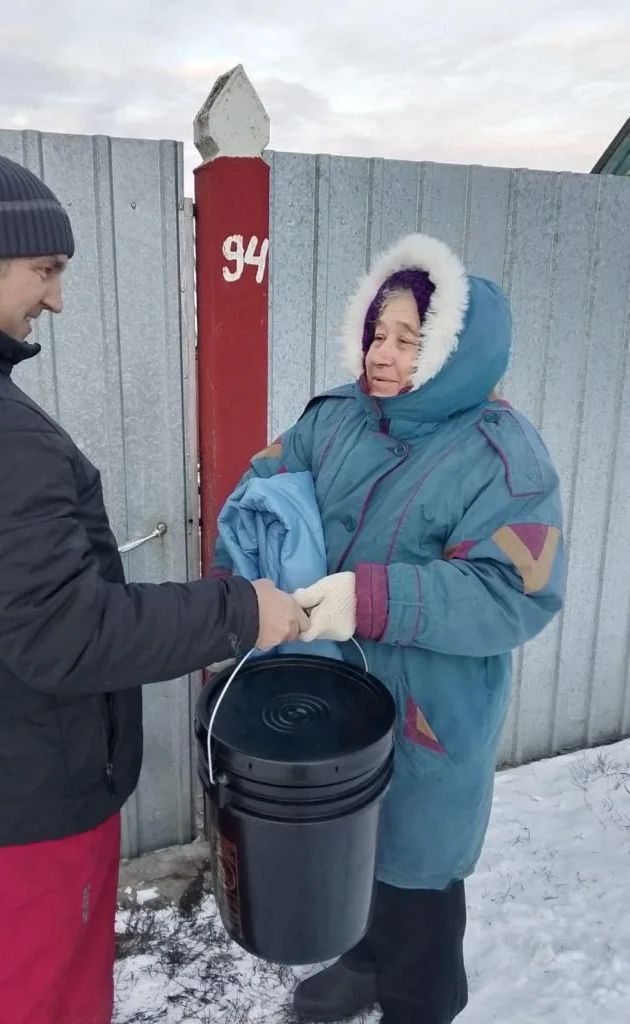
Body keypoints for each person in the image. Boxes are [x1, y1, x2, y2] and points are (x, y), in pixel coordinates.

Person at [0, 150, 307, 1024]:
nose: (56, 298)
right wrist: (240, 610)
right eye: (45, 270)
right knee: (45, 992)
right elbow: (64, 633)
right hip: (28, 776)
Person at [210, 233, 565, 1024]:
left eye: (409, 338)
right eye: (377, 332)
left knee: (416, 876)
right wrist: (234, 590)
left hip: (424, 715)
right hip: (327, 690)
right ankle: (364, 959)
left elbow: (514, 594)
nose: (382, 352)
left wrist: (369, 600)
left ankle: (421, 998)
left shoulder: (501, 460)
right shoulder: (333, 419)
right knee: (348, 855)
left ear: (452, 350)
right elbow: (258, 495)